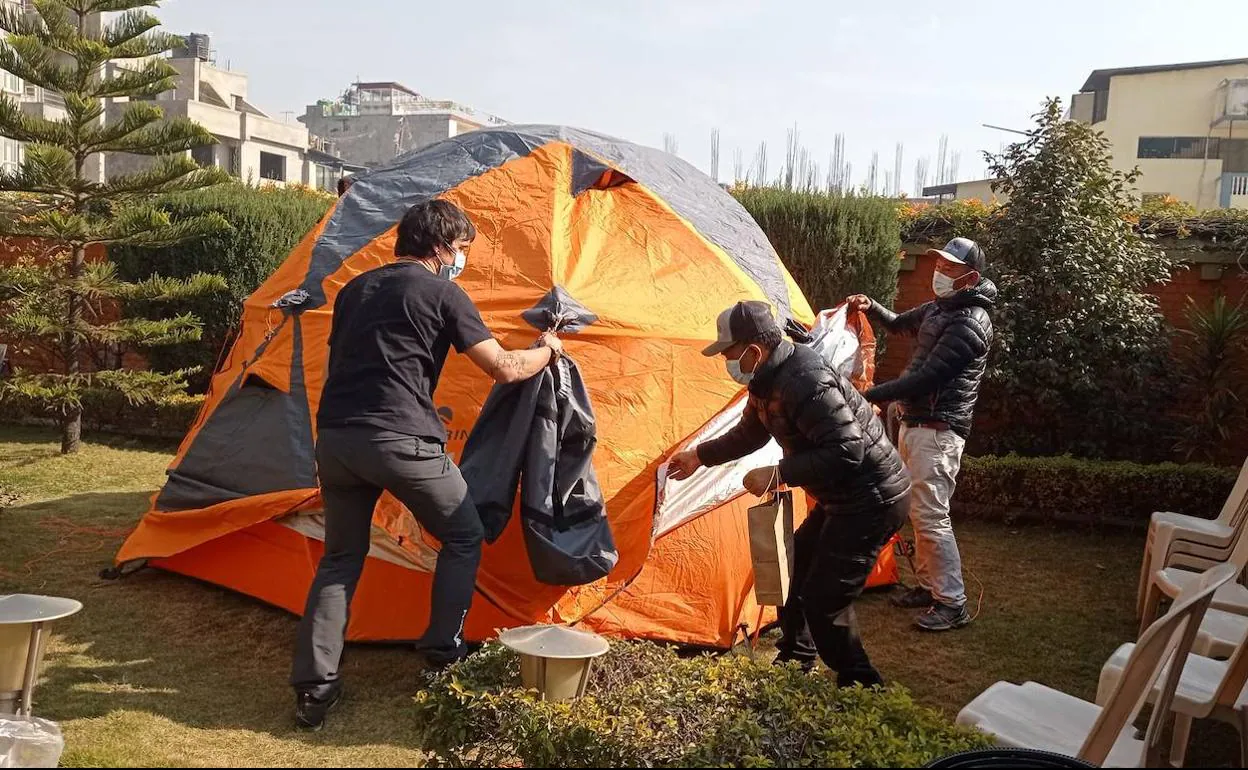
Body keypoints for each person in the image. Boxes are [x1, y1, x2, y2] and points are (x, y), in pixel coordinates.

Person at [290, 199, 563, 730]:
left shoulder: (354, 289)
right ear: (441, 247)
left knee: (341, 558)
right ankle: (443, 653)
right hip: (403, 441)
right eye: (462, 249)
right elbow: (505, 368)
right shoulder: (443, 293)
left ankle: (314, 688)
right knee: (464, 534)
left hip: (338, 440)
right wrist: (547, 350)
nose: (463, 259)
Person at [669, 301, 911, 687]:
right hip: (842, 498)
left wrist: (780, 472)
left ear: (752, 351)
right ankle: (796, 658)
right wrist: (699, 456)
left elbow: (848, 449)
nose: (726, 363)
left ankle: (863, 687)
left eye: (728, 354)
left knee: (824, 601)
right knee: (792, 572)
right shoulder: (766, 379)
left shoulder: (804, 379)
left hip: (872, 500)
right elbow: (749, 433)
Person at [847, 236, 996, 633]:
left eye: (949, 268)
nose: (939, 273)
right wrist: (871, 307)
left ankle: (952, 602)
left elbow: (928, 377)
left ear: (970, 277)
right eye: (939, 265)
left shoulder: (971, 322)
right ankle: (930, 589)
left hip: (939, 429)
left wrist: (868, 396)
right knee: (916, 510)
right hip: (917, 423)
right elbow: (898, 324)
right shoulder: (940, 308)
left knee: (931, 515)